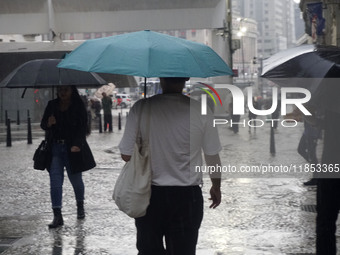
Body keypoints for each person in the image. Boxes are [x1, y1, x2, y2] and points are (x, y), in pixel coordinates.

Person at [119, 77, 222, 255]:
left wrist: (144, 140)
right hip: (187, 197)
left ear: (160, 78)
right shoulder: (201, 111)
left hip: (149, 195)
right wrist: (216, 186)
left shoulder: (141, 108)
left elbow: (126, 155)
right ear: (186, 78)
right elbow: (212, 155)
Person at [40, 85, 96, 228]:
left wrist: (77, 144)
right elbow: (43, 125)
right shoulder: (52, 105)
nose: (62, 93)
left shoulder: (78, 105)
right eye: (60, 90)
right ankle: (57, 216)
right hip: (55, 149)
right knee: (55, 182)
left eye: (65, 90)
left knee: (76, 181)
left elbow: (83, 127)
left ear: (72, 91)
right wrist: (48, 123)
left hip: (73, 150)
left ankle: (80, 206)